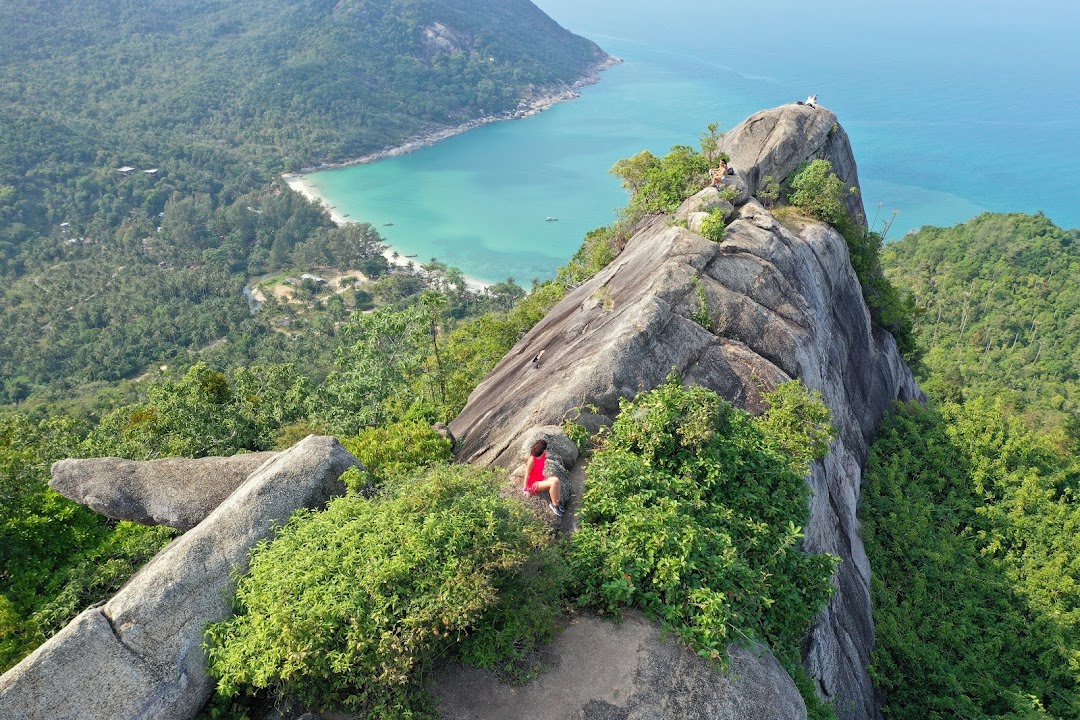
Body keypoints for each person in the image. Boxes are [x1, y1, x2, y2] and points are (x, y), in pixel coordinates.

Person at [522, 439, 564, 516]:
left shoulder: (543, 455)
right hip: (533, 483)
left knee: (557, 480)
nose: (547, 450)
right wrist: (525, 489)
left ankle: (557, 501)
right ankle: (554, 505)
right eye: (546, 448)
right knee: (553, 483)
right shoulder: (532, 460)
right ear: (543, 450)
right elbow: (527, 475)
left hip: (540, 477)